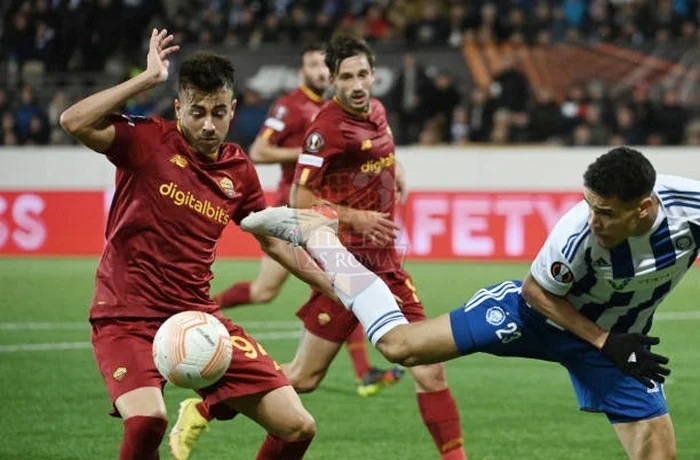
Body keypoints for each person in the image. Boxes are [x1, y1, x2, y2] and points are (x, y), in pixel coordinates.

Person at [267, 146, 688, 459]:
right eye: (589, 205)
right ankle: (326, 246)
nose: (595, 221)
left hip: (611, 345)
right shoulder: (576, 233)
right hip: (535, 317)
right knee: (400, 347)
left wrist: (606, 343)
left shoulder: (690, 209)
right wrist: (603, 340)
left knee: (659, 456)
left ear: (643, 208)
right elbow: (535, 292)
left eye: (607, 213)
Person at [60, 29, 341, 460]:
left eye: (218, 111)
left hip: (198, 318)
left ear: (232, 110)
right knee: (147, 422)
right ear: (178, 108)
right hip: (126, 316)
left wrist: (334, 286)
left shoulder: (238, 170)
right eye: (197, 112)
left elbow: (273, 244)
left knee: (298, 426)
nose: (208, 124)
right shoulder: (147, 141)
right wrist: (146, 79)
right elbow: (72, 121)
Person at [287, 34, 467, 460]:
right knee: (305, 376)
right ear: (332, 80)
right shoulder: (324, 130)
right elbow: (297, 200)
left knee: (431, 370)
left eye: (363, 74)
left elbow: (382, 146)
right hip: (345, 264)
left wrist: (396, 165)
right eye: (346, 76)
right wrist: (357, 217)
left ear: (373, 73)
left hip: (385, 262)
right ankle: (208, 400)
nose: (357, 84)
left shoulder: (377, 110)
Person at [211, 43, 404, 397]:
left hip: (325, 217)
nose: (318, 72)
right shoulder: (292, 107)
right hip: (295, 212)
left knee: (345, 284)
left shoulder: (345, 109)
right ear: (308, 72)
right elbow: (258, 151)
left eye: (321, 65)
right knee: (278, 289)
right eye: (313, 66)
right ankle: (203, 311)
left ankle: (364, 372)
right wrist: (304, 152)